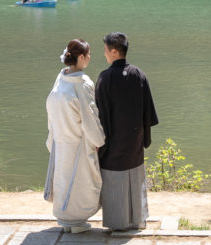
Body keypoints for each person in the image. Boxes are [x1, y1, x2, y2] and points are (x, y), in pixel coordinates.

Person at [95, 32, 158, 231]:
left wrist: (99, 140)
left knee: (115, 180)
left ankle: (117, 223)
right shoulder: (139, 74)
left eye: (105, 50)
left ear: (114, 51)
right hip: (135, 139)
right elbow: (148, 111)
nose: (104, 54)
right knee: (135, 178)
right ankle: (137, 220)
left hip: (113, 142)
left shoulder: (105, 77)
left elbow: (100, 113)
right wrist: (143, 137)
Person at [44, 39, 106, 233]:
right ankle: (76, 221)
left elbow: (51, 108)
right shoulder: (83, 83)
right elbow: (90, 117)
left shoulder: (61, 79)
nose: (90, 58)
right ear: (81, 57)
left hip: (61, 138)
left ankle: (66, 219)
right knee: (80, 181)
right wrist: (99, 139)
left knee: (64, 178)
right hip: (78, 141)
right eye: (88, 55)